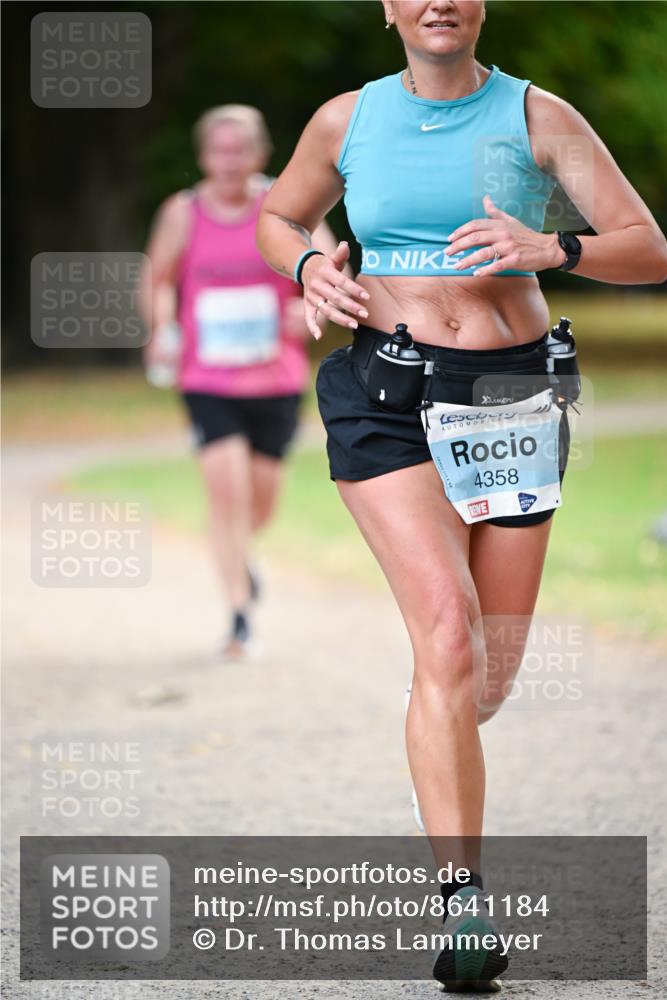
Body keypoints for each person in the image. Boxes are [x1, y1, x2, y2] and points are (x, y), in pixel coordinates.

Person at [256, 0, 667, 988]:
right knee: (446, 632)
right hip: (386, 394)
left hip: (512, 400)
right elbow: (278, 215)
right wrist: (312, 265)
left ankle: (435, 735)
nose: (437, 1)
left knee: (486, 675)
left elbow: (648, 248)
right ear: (391, 8)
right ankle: (464, 906)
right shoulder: (343, 119)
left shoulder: (539, 118)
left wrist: (554, 249)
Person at [139, 105, 345, 657]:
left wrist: (307, 307)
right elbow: (158, 278)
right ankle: (237, 612)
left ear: (260, 153)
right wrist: (161, 327)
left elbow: (330, 265)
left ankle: (239, 556)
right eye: (218, 151)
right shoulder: (183, 212)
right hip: (206, 377)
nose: (228, 162)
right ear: (204, 157)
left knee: (261, 502)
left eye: (240, 150)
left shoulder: (283, 204)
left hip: (275, 378)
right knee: (224, 491)